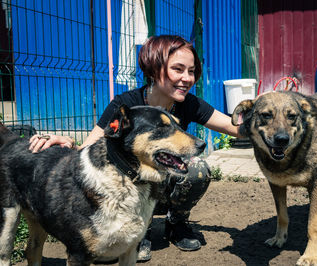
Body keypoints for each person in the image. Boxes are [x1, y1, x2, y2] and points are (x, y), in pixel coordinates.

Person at [29, 35, 241, 261]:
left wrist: (272, 120)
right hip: (129, 189)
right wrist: (68, 142)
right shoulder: (127, 105)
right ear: (154, 69)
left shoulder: (188, 102)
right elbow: (88, 150)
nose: (187, 78)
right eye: (178, 69)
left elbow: (233, 126)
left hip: (160, 183)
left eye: (191, 71)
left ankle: (176, 224)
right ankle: (140, 232)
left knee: (196, 169)